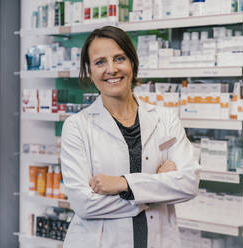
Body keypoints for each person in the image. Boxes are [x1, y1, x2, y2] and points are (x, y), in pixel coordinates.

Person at [60, 26, 200, 248]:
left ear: (132, 63)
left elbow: (189, 183)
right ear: (89, 71)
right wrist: (156, 190)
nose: (111, 69)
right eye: (100, 62)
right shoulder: (77, 127)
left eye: (119, 58)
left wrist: (122, 184)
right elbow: (84, 204)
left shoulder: (165, 118)